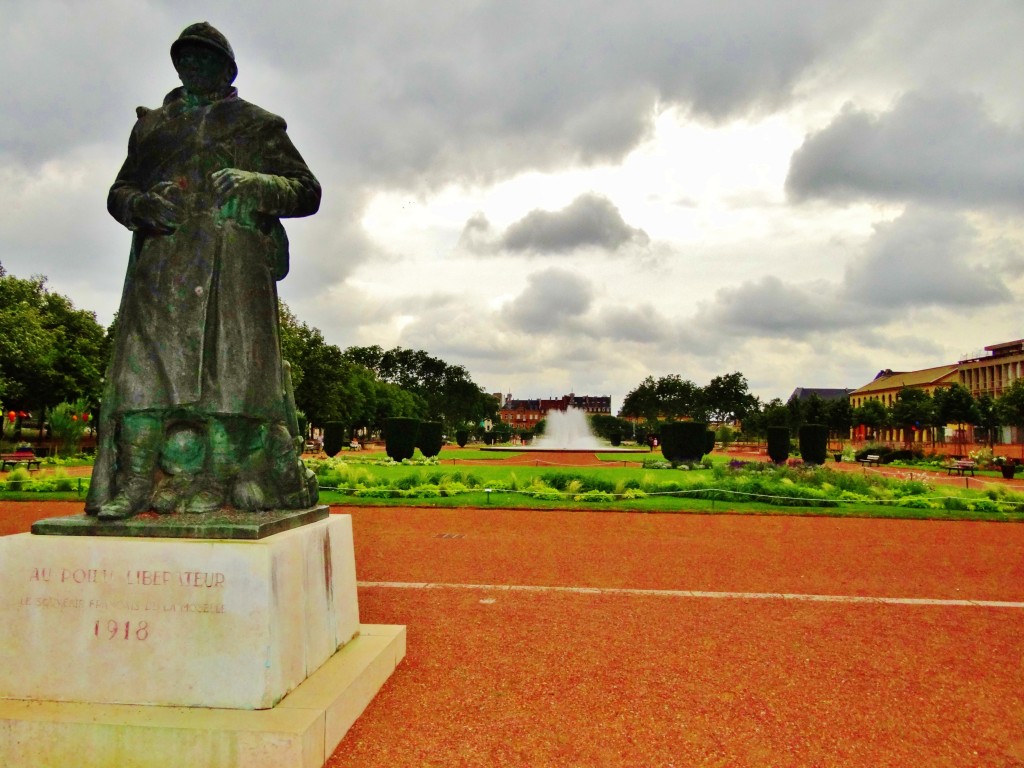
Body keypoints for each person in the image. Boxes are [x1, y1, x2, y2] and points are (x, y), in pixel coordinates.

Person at [86, 22, 321, 519]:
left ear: (226, 67)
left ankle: (216, 480)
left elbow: (307, 190)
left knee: (228, 385)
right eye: (185, 59)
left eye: (204, 59)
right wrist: (141, 204)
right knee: (141, 380)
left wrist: (258, 183)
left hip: (231, 270)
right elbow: (119, 190)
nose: (192, 68)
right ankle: (133, 486)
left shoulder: (258, 124)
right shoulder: (151, 126)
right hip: (163, 268)